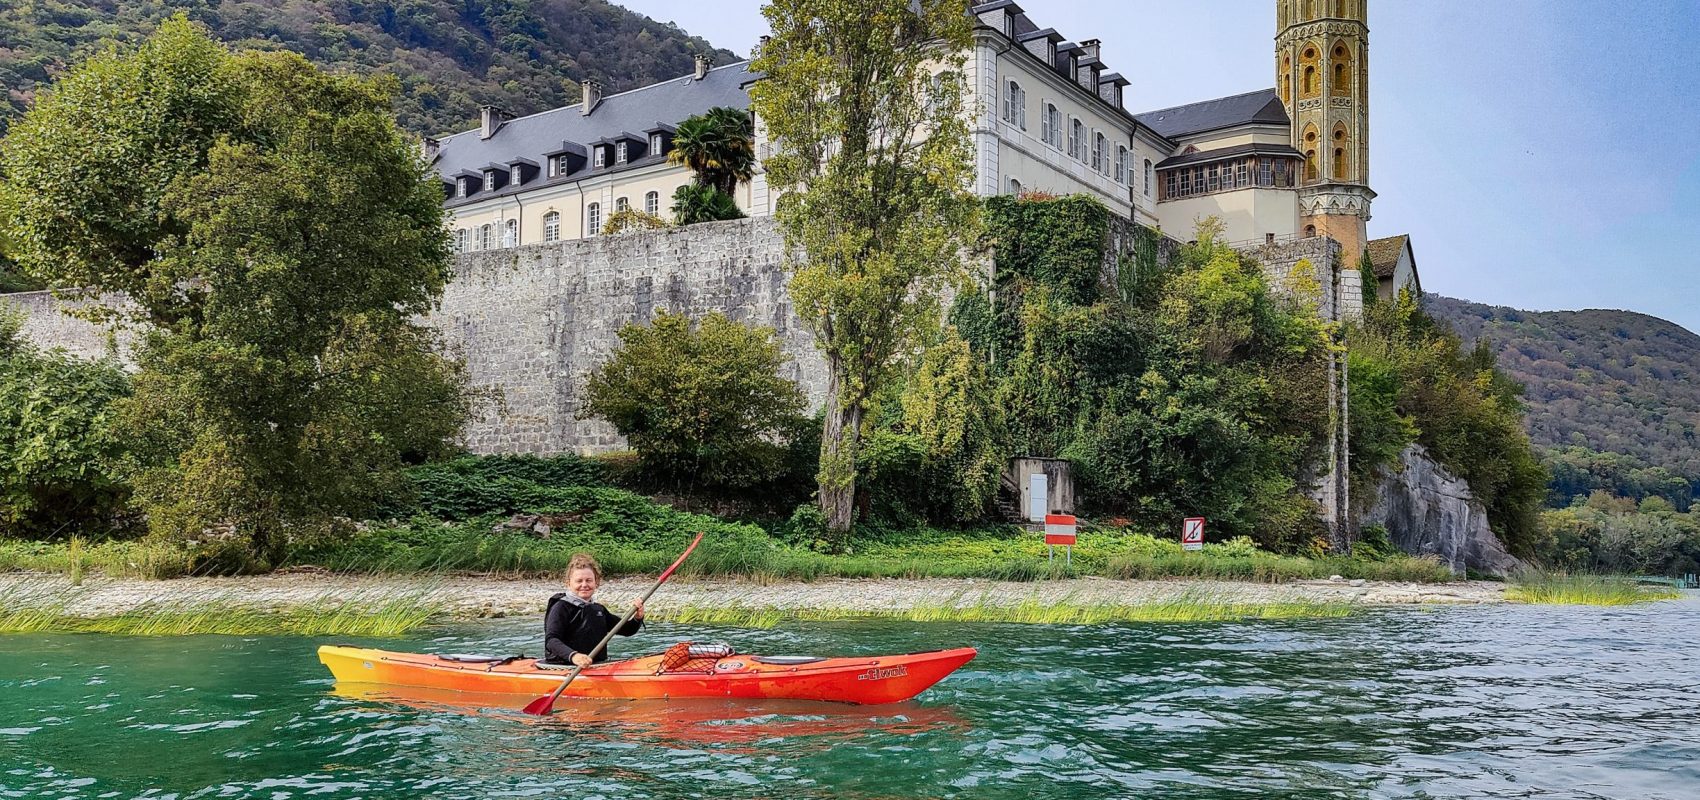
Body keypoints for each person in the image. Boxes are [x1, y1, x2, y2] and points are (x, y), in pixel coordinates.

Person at [543, 553, 644, 667]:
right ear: (568, 583)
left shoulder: (598, 610)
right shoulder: (560, 607)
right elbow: (551, 641)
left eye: (589, 580)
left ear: (596, 582)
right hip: (565, 666)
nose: (584, 585)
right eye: (579, 581)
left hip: (596, 666)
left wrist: (637, 617)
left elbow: (627, 630)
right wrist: (574, 656)